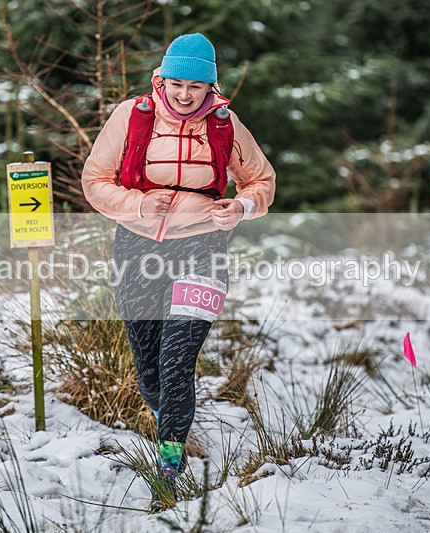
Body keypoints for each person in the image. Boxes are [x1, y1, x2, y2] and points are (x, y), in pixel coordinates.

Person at [81, 33, 275, 511]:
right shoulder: (131, 116)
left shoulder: (225, 124)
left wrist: (243, 207)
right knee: (150, 374)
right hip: (137, 247)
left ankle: (168, 469)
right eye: (177, 83)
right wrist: (138, 203)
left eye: (197, 86)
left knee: (176, 361)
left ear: (212, 88)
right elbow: (95, 181)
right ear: (160, 78)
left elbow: (262, 180)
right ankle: (176, 420)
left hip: (203, 248)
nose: (185, 94)